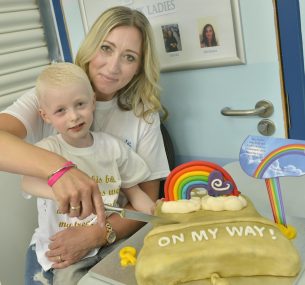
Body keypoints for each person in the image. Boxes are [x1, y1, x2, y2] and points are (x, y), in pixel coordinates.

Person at [0, 5, 169, 284]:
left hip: (115, 237)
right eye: (106, 48)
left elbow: (144, 205)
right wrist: (60, 170)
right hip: (57, 241)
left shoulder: (143, 114)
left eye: (129, 57)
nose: (113, 67)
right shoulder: (49, 94)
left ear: (139, 66)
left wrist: (98, 234)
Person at [22, 62, 155, 285]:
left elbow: (135, 194)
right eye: (61, 110)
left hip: (109, 243)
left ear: (93, 101)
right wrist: (60, 190)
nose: (74, 116)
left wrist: (155, 211)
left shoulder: (113, 148)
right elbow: (27, 183)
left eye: (80, 104)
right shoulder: (48, 150)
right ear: (45, 116)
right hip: (64, 252)